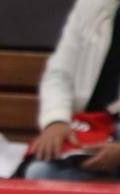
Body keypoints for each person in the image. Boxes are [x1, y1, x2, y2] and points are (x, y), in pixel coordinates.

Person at [24, 0, 120, 180]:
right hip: (93, 130)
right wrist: (56, 121)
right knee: (41, 173)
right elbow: (58, 74)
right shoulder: (92, 6)